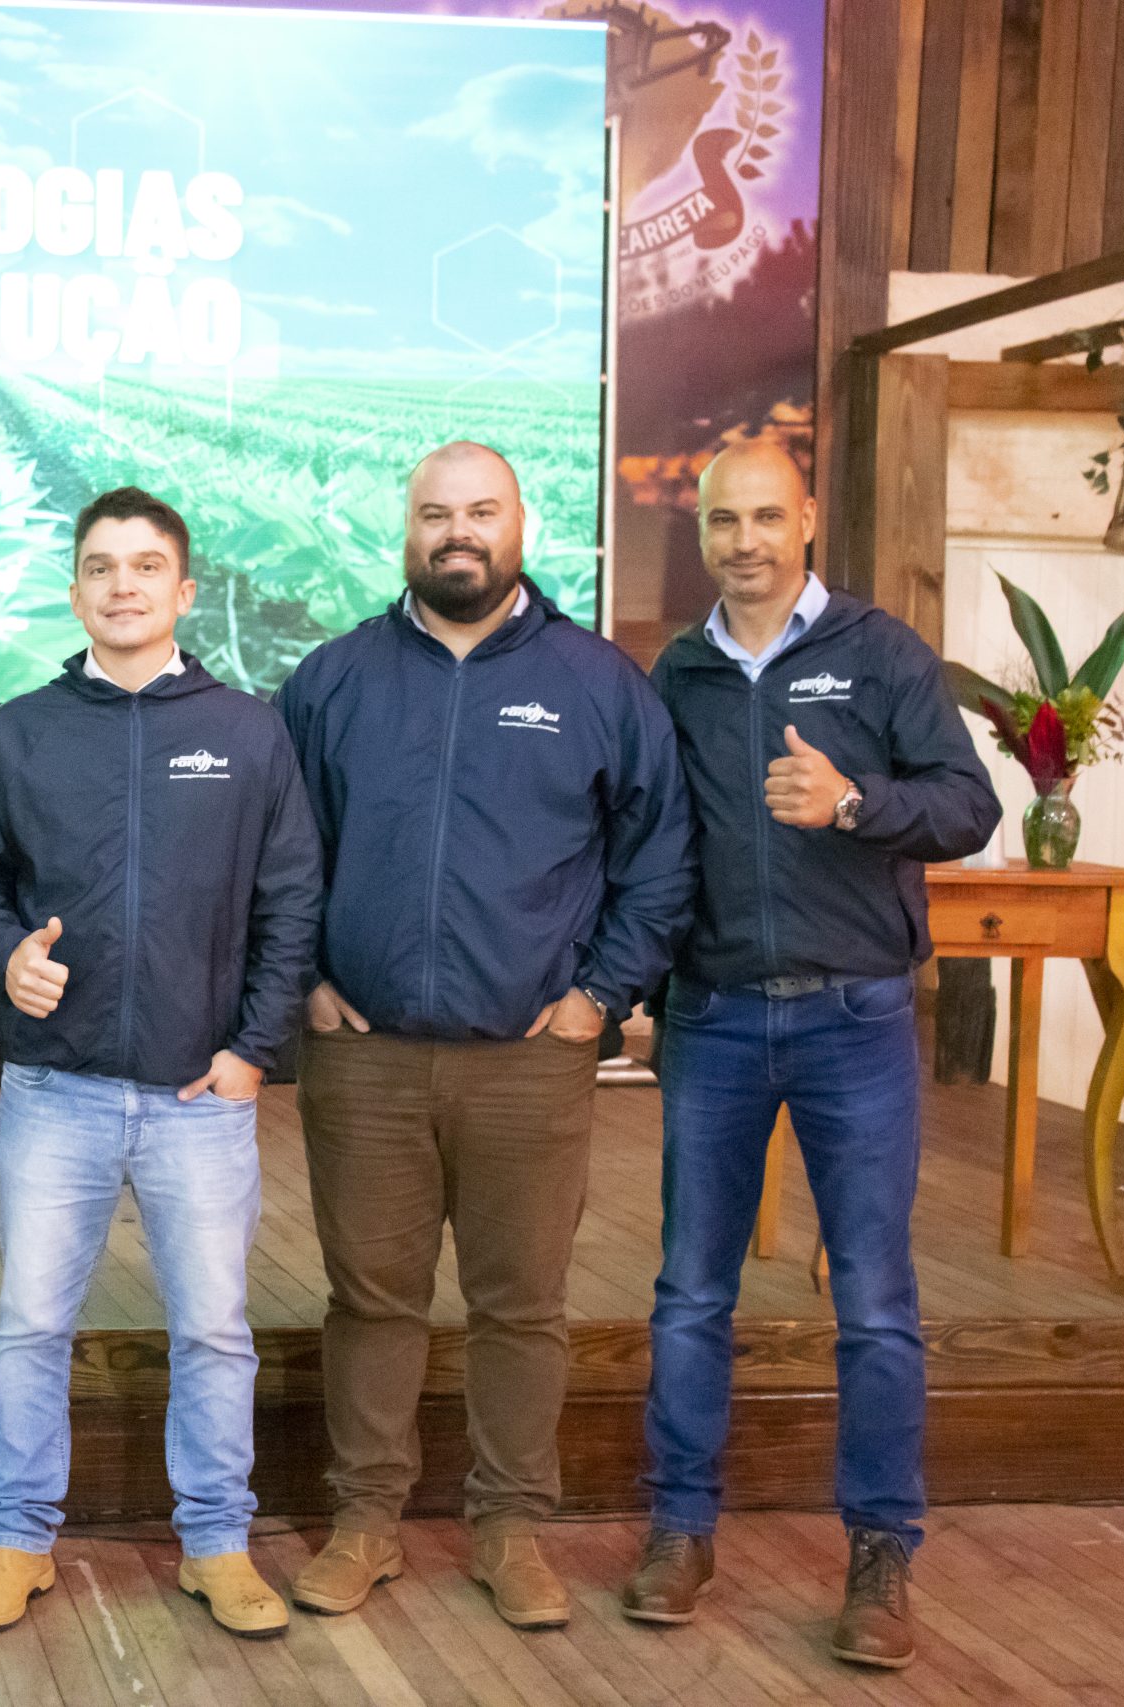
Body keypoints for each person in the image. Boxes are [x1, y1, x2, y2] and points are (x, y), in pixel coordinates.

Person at [273, 441, 694, 1630]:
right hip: (364, 1059)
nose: (456, 532)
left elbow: (659, 857)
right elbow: (275, 850)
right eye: (434, 513)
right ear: (407, 530)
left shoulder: (597, 682)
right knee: (371, 1300)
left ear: (521, 526)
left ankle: (509, 1528)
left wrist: (595, 998)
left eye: (480, 511)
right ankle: (365, 1521)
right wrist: (306, 981)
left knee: (521, 1306)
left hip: (529, 1062)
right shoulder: (333, 680)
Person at [625, 440, 1000, 1668]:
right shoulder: (677, 671)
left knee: (874, 1300)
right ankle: (680, 1530)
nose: (744, 540)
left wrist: (853, 805)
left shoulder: (880, 653)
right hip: (713, 1019)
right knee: (691, 1291)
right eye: (721, 520)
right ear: (700, 533)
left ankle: (881, 1551)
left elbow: (968, 806)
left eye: (765, 516)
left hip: (856, 1023)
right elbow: (651, 841)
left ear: (807, 520)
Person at [0, 488, 319, 1638]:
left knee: (212, 1332)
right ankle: (17, 1541)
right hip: (54, 1090)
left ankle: (216, 1545)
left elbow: (290, 898)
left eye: (145, 566)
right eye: (100, 566)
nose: (122, 585)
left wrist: (253, 1050)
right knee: (28, 1326)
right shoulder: (20, 730)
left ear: (183, 590)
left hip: (200, 1096)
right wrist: (6, 955)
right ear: (73, 592)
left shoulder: (247, 733)